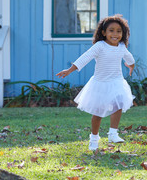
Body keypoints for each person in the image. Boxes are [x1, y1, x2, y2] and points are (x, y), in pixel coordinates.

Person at [56, 15, 135, 151]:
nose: (115, 34)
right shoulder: (100, 46)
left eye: (119, 31)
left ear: (123, 34)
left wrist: (131, 65)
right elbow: (85, 58)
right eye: (111, 30)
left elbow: (129, 57)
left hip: (116, 82)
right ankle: (94, 138)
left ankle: (113, 133)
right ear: (104, 33)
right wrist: (70, 70)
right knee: (98, 114)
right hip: (100, 84)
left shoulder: (121, 47)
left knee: (119, 104)